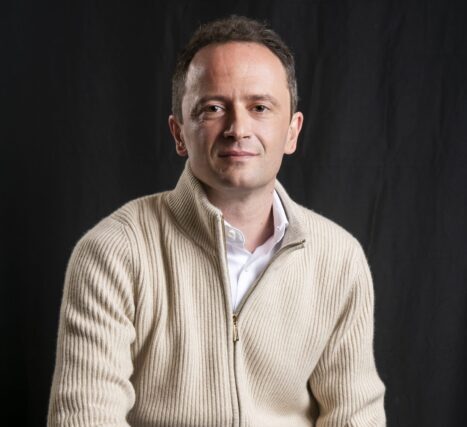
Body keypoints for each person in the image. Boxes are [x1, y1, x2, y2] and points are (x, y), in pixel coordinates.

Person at [48, 15, 385, 426]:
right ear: (178, 133)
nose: (238, 128)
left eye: (259, 107)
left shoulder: (339, 259)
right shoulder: (113, 253)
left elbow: (355, 416)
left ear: (292, 131)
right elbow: (85, 417)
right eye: (213, 108)